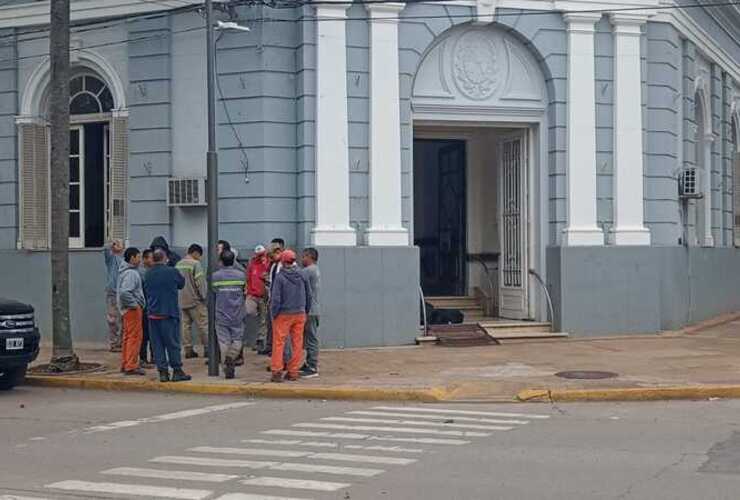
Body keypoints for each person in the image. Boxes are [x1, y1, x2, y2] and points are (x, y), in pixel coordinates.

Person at [144, 248, 191, 383]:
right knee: (172, 343)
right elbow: (181, 284)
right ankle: (177, 370)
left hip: (153, 314)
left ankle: (163, 373)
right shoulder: (172, 271)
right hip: (169, 313)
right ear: (165, 258)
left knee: (157, 345)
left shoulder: (148, 273)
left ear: (153, 259)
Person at [269, 249, 311, 383]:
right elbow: (309, 294)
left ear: (282, 261)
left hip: (283, 314)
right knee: (297, 343)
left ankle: (277, 371)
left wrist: (273, 313)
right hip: (300, 313)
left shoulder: (280, 277)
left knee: (279, 343)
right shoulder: (302, 275)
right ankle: (293, 372)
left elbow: (275, 299)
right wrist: (306, 310)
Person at [212, 250, 247, 379]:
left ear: (221, 261)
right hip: (237, 313)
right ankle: (232, 356)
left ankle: (226, 367)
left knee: (223, 341)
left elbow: (214, 292)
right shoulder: (241, 275)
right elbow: (244, 291)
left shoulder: (216, 276)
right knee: (237, 339)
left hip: (221, 314)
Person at [117, 247, 146, 376]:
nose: (140, 260)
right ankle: (131, 365)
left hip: (126, 310)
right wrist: (134, 305)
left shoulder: (124, 272)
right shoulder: (131, 274)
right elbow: (125, 292)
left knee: (128, 337)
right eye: (138, 257)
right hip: (132, 310)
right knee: (135, 337)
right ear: (133, 258)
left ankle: (126, 363)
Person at [176, 244, 208, 359]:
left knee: (185, 326)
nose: (199, 258)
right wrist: (204, 297)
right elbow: (200, 283)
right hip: (195, 300)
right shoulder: (195, 264)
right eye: (199, 255)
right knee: (203, 325)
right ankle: (208, 348)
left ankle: (188, 350)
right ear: (195, 253)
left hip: (182, 300)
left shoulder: (178, 264)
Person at [258, 243, 284, 357]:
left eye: (271, 256)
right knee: (270, 326)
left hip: (281, 303)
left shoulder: (285, 265)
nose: (269, 259)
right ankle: (270, 348)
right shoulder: (274, 266)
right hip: (272, 299)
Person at [300, 247, 321, 378]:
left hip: (310, 310)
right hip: (313, 309)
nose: (302, 259)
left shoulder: (308, 271)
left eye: (304, 256)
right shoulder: (315, 269)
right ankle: (308, 363)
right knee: (308, 338)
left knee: (311, 338)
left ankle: (312, 366)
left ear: (309, 257)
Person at [246, 245, 270, 351]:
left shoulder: (268, 264)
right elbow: (248, 278)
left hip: (264, 296)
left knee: (264, 320)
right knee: (248, 311)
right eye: (259, 255)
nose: (260, 257)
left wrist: (265, 264)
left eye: (262, 255)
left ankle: (260, 340)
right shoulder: (252, 265)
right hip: (253, 295)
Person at [104, 240, 124, 352]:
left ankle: (121, 342)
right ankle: (114, 343)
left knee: (123, 320)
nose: (119, 246)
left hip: (123, 292)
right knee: (113, 319)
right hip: (112, 292)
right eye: (117, 244)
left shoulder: (125, 260)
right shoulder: (111, 259)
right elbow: (106, 248)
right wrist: (112, 244)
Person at [138, 249, 155, 367]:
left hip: (152, 307)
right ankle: (143, 358)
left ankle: (154, 357)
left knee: (154, 335)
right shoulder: (141, 273)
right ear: (144, 259)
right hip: (144, 308)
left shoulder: (152, 272)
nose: (152, 260)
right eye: (150, 258)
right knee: (144, 336)